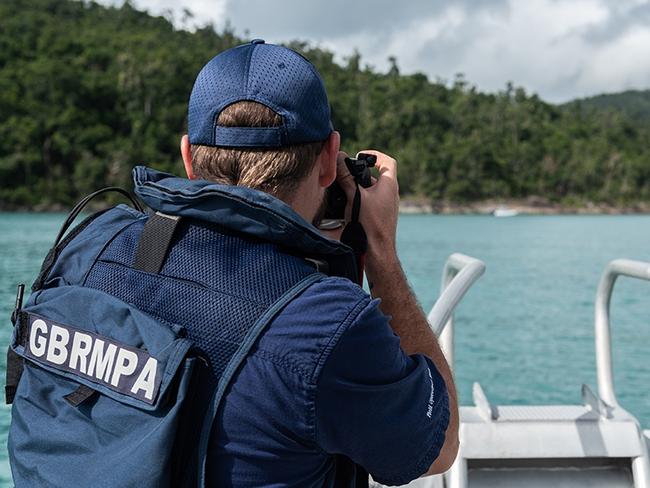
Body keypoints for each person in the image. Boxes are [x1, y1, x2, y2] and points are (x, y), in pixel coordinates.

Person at [176, 39, 459, 486]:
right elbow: (438, 446)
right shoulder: (328, 327)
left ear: (189, 158)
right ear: (330, 161)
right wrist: (379, 246)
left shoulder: (98, 250)